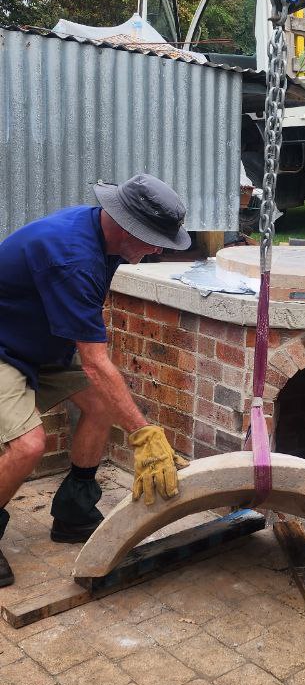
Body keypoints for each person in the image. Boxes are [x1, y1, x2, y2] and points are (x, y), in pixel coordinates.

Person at [0, 173, 192, 587]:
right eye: (153, 238)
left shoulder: (101, 235)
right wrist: (145, 435)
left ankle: (74, 512)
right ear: (125, 226)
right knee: (28, 445)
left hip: (38, 345)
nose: (158, 248)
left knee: (103, 402)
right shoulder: (71, 255)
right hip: (3, 350)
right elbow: (94, 362)